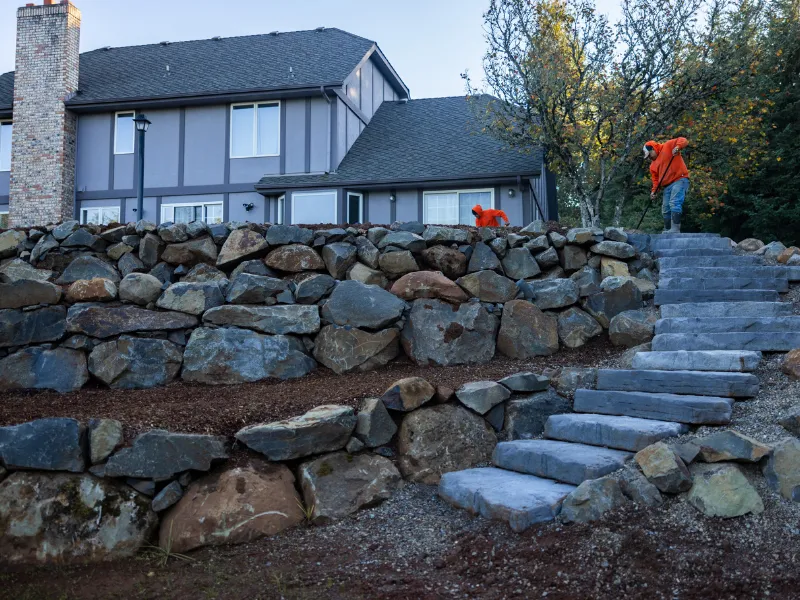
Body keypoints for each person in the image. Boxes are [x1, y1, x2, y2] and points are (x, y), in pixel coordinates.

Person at [644, 137, 689, 233]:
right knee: (665, 208)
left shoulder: (668, 146)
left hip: (680, 179)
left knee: (674, 202)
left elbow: (683, 140)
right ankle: (667, 229)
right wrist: (654, 191)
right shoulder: (652, 166)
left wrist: (677, 147)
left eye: (649, 155)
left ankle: (675, 229)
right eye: (647, 157)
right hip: (667, 186)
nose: (649, 158)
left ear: (653, 148)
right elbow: (656, 180)